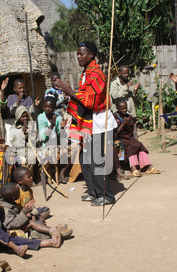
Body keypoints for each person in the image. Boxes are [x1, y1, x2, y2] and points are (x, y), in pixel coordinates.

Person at [55, 41, 117, 206]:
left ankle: (107, 195)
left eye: (82, 54)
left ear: (91, 55)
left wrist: (69, 91)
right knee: (85, 158)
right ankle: (94, 192)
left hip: (99, 121)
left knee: (97, 159)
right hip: (87, 122)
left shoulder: (96, 74)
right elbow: (82, 96)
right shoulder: (86, 73)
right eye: (77, 54)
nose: (78, 57)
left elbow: (92, 101)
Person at [0, 185, 62, 251]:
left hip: (4, 232)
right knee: (17, 240)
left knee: (37, 215)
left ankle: (51, 232)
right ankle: (51, 239)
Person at [114, 98, 160, 176]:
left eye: (126, 108)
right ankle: (133, 168)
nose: (125, 110)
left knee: (138, 144)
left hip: (128, 138)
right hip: (118, 138)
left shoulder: (129, 117)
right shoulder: (114, 117)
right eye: (122, 109)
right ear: (117, 109)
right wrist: (123, 124)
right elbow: (115, 134)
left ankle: (147, 166)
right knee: (131, 145)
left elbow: (133, 132)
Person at [37, 96, 69, 184]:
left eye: (50, 107)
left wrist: (62, 128)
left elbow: (60, 135)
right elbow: (43, 137)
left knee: (71, 151)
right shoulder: (41, 118)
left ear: (54, 108)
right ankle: (49, 176)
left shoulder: (58, 117)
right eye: (45, 107)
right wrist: (52, 125)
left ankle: (61, 172)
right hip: (45, 146)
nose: (47, 109)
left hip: (56, 144)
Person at [8, 106, 37, 185]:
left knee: (32, 156)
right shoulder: (13, 128)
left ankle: (29, 179)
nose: (25, 118)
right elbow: (16, 143)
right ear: (18, 117)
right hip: (18, 150)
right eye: (23, 116)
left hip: (29, 149)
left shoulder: (31, 127)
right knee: (22, 159)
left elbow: (34, 141)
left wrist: (32, 132)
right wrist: (23, 129)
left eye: (26, 116)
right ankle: (23, 180)